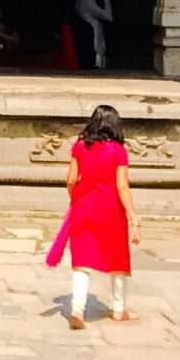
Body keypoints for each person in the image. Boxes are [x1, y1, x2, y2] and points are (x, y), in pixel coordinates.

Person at [46, 103, 136, 328]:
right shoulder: (118, 151)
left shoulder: (79, 147)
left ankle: (77, 309)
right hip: (111, 210)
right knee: (118, 259)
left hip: (84, 207)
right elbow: (122, 186)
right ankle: (118, 309)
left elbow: (70, 180)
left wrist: (75, 199)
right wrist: (133, 215)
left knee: (82, 260)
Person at [74, 0, 112, 69]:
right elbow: (108, 17)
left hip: (92, 37)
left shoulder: (80, 0)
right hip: (95, 39)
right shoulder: (86, 0)